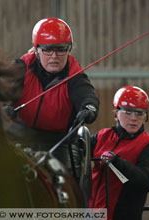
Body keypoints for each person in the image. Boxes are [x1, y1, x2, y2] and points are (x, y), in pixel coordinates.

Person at [6, 17, 99, 182]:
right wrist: (3, 106)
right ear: (37, 50)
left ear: (69, 50)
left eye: (61, 50)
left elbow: (87, 96)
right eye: (48, 50)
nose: (54, 56)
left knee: (62, 185)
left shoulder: (75, 77)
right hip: (19, 136)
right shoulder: (21, 68)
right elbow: (0, 88)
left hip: (57, 142)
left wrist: (89, 109)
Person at [89, 86, 149, 220]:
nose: (133, 118)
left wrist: (118, 162)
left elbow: (147, 182)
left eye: (139, 113)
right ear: (116, 114)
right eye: (128, 112)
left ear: (145, 117)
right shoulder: (101, 137)